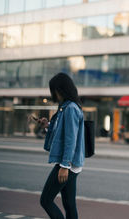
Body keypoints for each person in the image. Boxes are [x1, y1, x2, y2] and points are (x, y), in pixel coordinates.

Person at [40, 73, 85, 219]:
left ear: (61, 90)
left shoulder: (70, 108)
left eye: (54, 91)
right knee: (69, 204)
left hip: (67, 163)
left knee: (46, 200)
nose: (54, 94)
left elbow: (70, 139)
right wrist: (47, 125)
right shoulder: (66, 107)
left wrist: (64, 166)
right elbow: (61, 133)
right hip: (71, 163)